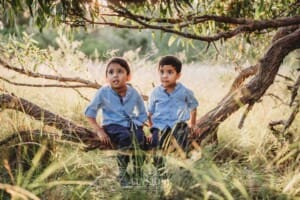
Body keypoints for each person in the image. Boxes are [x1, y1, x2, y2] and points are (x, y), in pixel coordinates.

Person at [85, 57, 147, 187]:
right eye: (111, 72)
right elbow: (89, 113)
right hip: (112, 125)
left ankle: (138, 172)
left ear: (128, 76)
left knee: (140, 138)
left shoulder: (134, 92)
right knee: (125, 137)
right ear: (106, 77)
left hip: (130, 124)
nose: (115, 75)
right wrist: (100, 131)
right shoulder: (103, 92)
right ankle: (123, 174)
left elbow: (142, 113)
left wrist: (138, 124)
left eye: (120, 71)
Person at [147, 55, 199, 177]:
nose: (165, 75)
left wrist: (193, 124)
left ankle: (184, 169)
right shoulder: (155, 93)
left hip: (178, 124)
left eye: (170, 72)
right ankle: (161, 172)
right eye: (162, 72)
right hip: (159, 125)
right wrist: (152, 129)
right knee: (156, 143)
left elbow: (193, 106)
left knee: (182, 139)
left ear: (178, 75)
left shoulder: (184, 91)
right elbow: (149, 113)